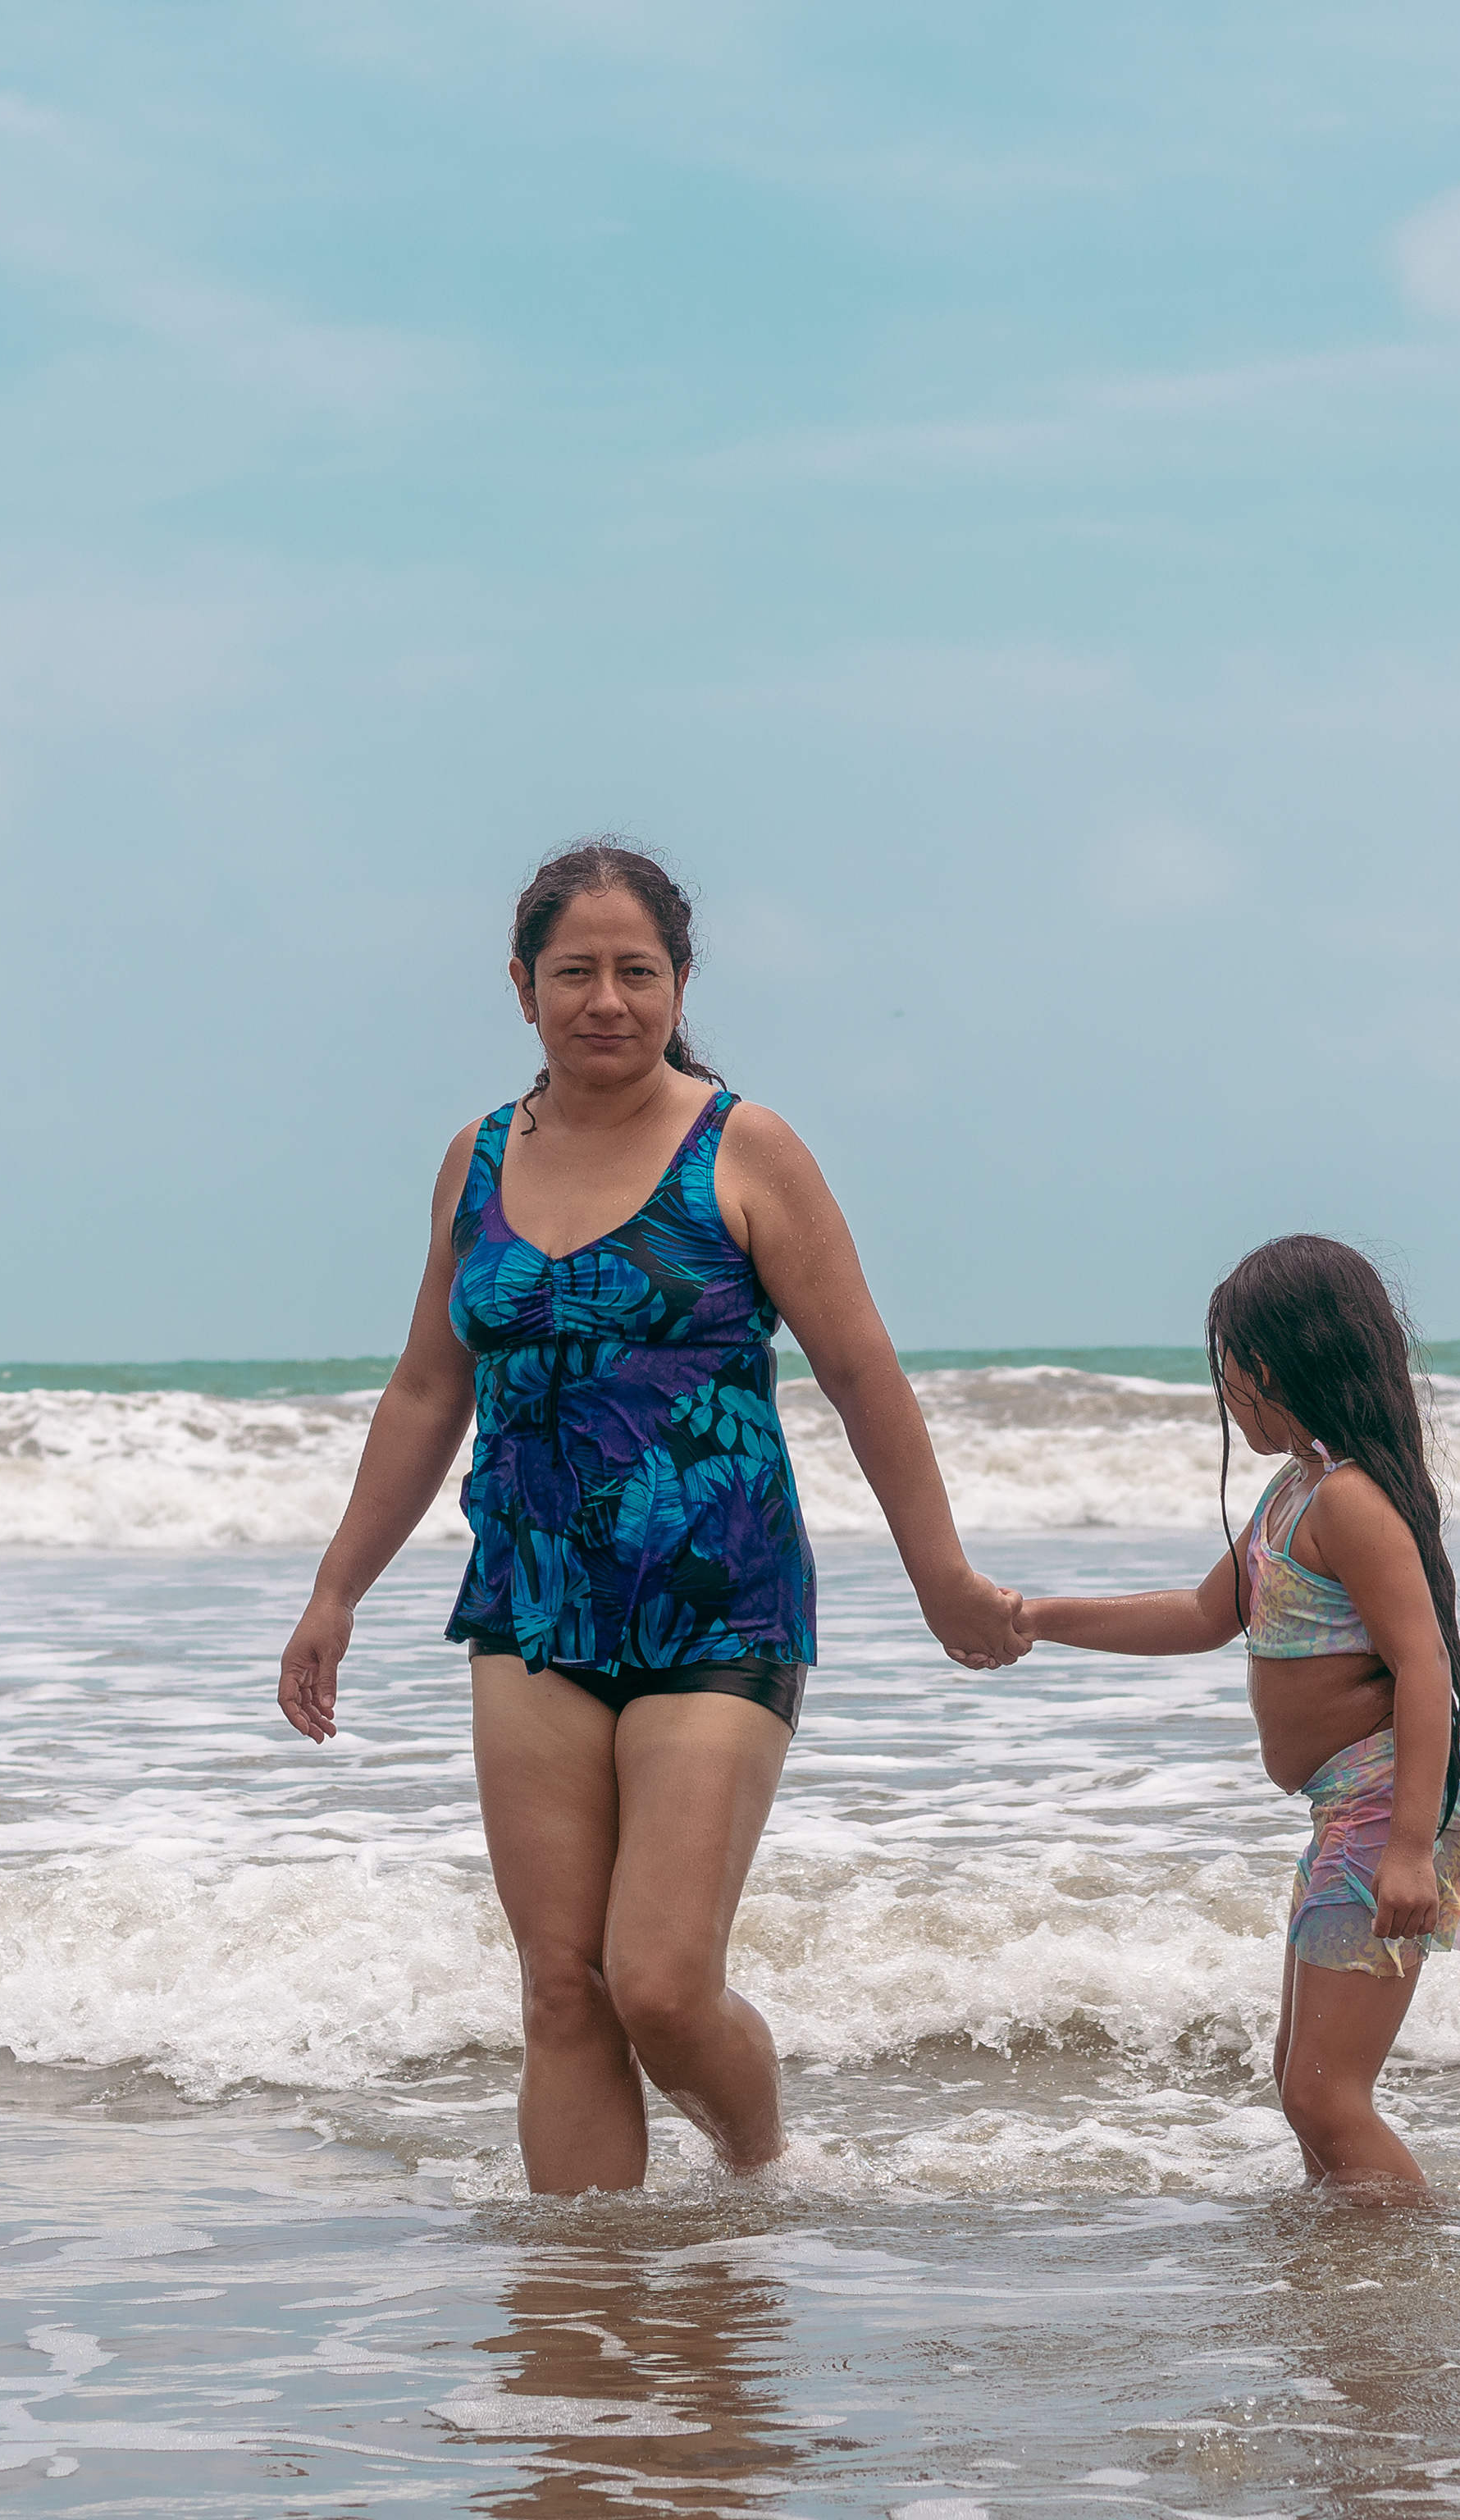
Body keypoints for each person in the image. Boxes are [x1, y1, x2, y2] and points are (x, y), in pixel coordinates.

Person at [276, 838, 1025, 2194]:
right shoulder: (477, 1159)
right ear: (522, 987)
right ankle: (587, 2297)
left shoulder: (744, 1147)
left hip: (719, 1599)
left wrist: (943, 1577)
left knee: (662, 1985)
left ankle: (761, 2170)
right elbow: (427, 1386)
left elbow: (862, 1373)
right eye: (575, 972)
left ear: (681, 983)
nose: (606, 1000)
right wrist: (337, 1590)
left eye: (637, 971)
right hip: (531, 1603)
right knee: (562, 1988)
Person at [1009, 1235, 1460, 2189]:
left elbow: (1424, 1666)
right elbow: (1204, 1615)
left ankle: (1414, 2260)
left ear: (1268, 1366)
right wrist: (1038, 1618)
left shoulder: (1350, 1501)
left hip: (1388, 1810)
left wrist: (1410, 1849)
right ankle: (1351, 2255)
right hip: (1349, 1810)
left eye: (1228, 1366)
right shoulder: (1295, 1492)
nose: (1225, 1388)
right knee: (1301, 2082)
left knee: (1326, 2096)